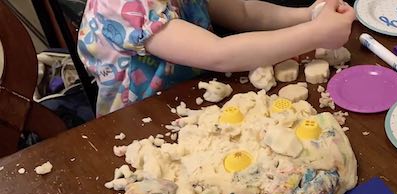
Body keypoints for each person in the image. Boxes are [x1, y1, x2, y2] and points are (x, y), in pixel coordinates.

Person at [77, 0, 355, 116]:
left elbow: (243, 10)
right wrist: (315, 34)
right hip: (144, 117)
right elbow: (218, 54)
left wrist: (307, 15)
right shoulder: (124, 6)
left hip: (201, 94)